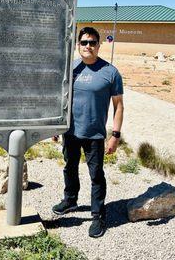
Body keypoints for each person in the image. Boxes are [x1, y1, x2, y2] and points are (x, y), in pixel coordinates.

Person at [52, 26, 124, 238]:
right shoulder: (71, 69)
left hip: (95, 135)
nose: (88, 46)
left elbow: (118, 106)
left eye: (92, 42)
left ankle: (98, 215)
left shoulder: (110, 72)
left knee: (96, 175)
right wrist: (56, 126)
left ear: (99, 45)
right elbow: (61, 98)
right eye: (84, 42)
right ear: (77, 46)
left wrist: (115, 135)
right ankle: (70, 200)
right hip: (71, 131)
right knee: (69, 167)